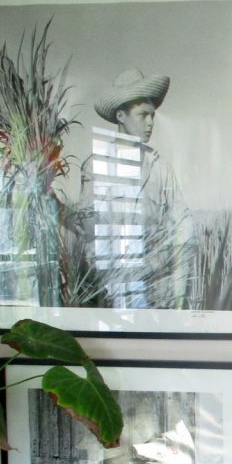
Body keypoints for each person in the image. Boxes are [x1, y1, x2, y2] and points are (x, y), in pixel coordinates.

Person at [84, 68, 194, 309]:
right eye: (143, 115)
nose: (151, 123)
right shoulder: (96, 166)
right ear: (121, 116)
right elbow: (89, 229)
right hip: (110, 288)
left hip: (157, 288)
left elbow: (182, 223)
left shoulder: (160, 167)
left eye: (153, 116)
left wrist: (175, 286)